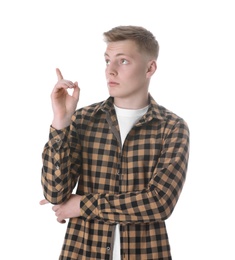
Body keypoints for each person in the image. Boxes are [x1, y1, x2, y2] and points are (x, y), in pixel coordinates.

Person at [40, 25, 190, 260]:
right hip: (83, 252)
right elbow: (55, 194)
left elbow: (160, 202)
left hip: (147, 253)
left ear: (150, 68)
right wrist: (61, 122)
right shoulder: (83, 119)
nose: (110, 71)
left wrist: (83, 205)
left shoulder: (171, 127)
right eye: (107, 61)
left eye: (123, 61)